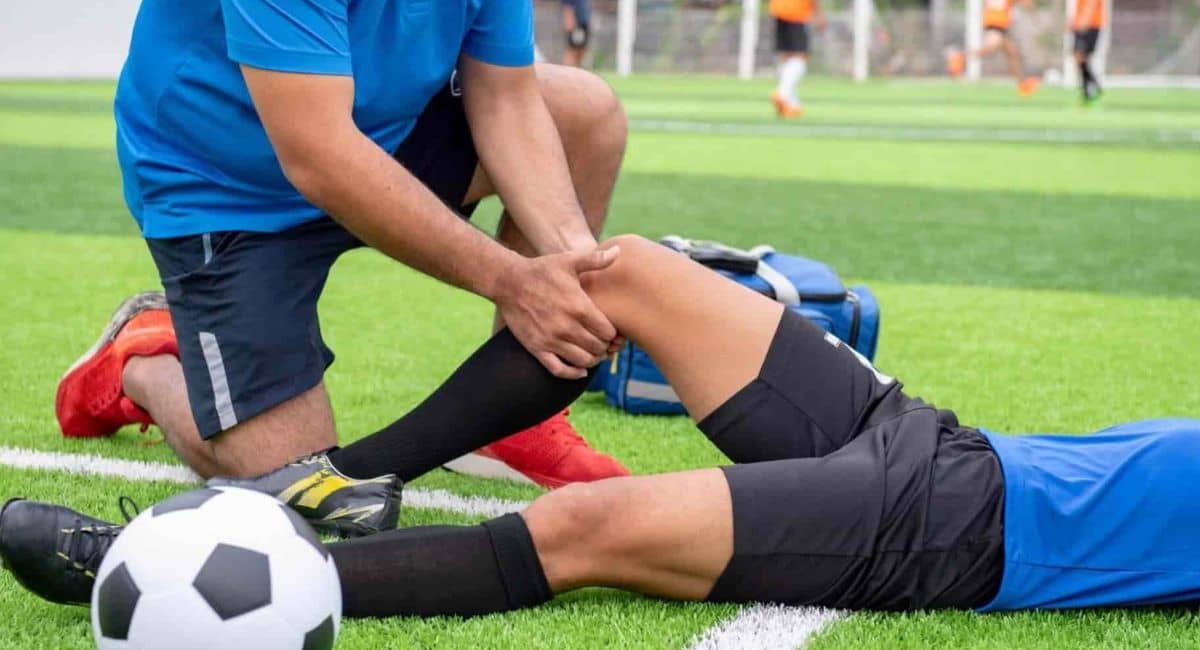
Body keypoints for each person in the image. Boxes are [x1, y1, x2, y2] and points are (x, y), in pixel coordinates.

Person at [5, 235, 1200, 615]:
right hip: (949, 445)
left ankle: (156, 568)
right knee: (619, 273)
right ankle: (330, 481)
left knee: (590, 521)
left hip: (959, 530)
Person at [53, 0, 635, 500]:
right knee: (296, 479)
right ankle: (144, 358)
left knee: (581, 111)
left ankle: (518, 421)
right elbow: (320, 155)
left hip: (382, 132)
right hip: (224, 184)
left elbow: (506, 97)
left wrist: (577, 266)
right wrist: (514, 281)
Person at [947, 0, 1042, 96]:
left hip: (995, 21)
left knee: (1012, 53)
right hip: (997, 22)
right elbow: (1027, 3)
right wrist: (1035, 14)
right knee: (992, 47)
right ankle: (960, 57)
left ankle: (1022, 85)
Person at [769, 0, 826, 118]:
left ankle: (792, 105)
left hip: (779, 10)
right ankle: (782, 94)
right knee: (800, 56)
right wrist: (818, 14)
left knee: (787, 57)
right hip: (797, 13)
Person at [1071, 0, 1106, 105]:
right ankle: (1090, 90)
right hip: (1083, 23)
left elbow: (1092, 2)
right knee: (1081, 58)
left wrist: (1084, 19)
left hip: (1090, 24)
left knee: (1080, 56)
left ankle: (1091, 89)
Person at [561, 0, 593, 68]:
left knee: (581, 50)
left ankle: (575, 72)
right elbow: (567, 4)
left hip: (583, 22)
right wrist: (569, 17)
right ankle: (567, 73)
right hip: (576, 23)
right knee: (573, 50)